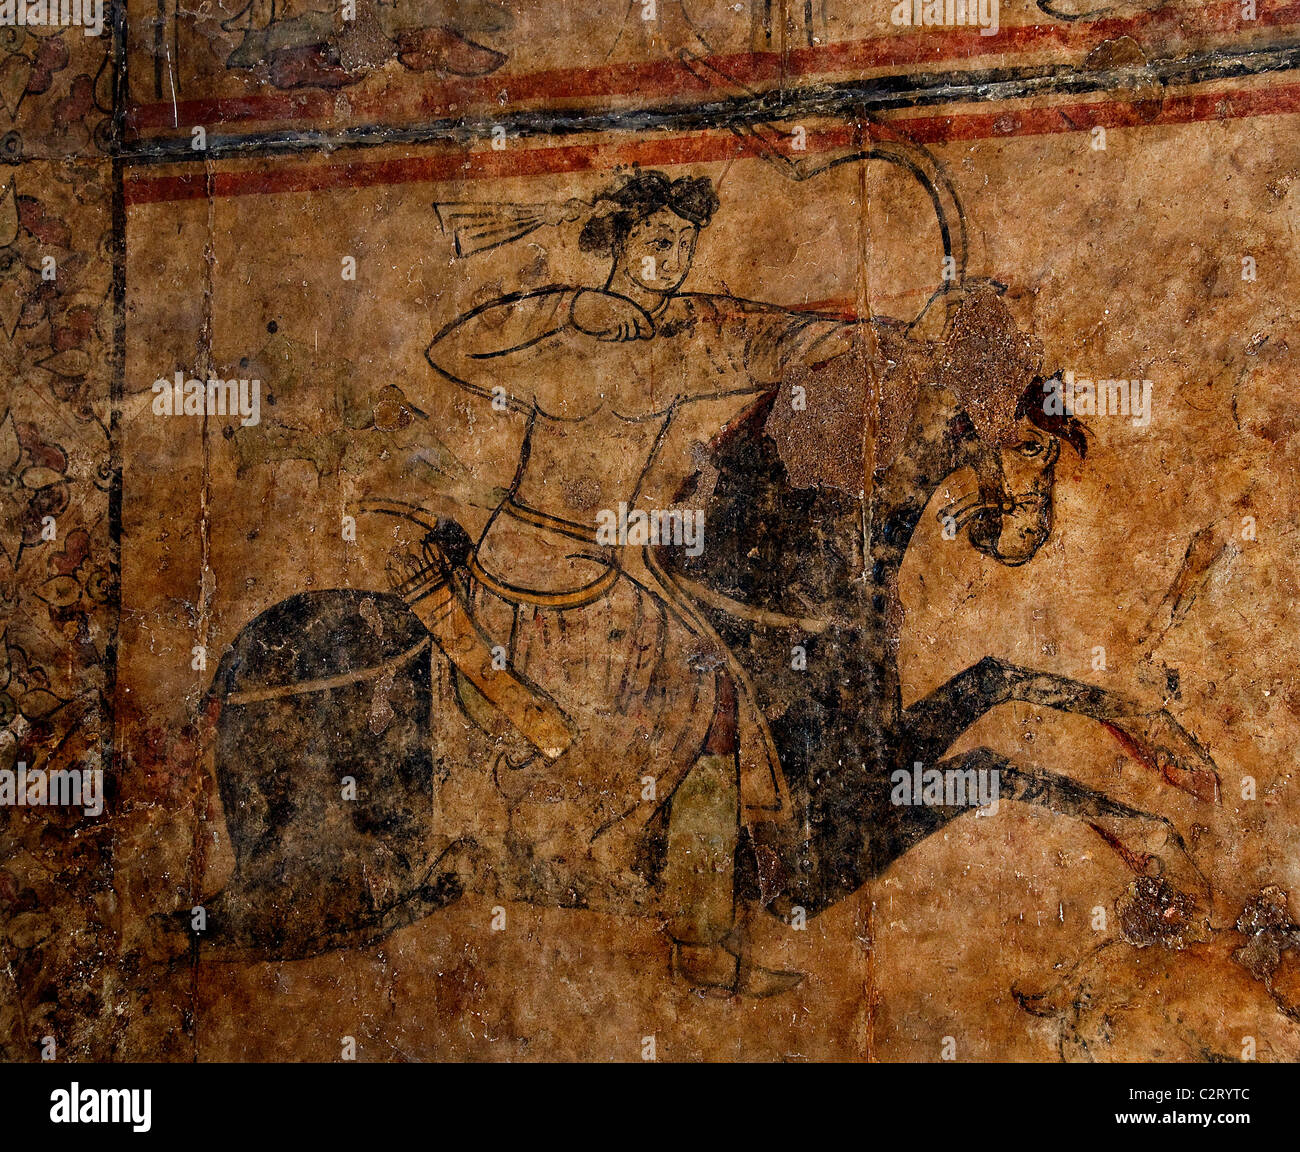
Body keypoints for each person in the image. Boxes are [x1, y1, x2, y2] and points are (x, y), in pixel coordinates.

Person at [422, 169, 876, 996]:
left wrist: (867, 336)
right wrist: (559, 301)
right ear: (620, 242)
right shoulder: (559, 331)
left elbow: (796, 341)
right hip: (530, 567)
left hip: (607, 569)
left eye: (684, 242)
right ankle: (696, 943)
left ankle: (701, 939)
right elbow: (449, 349)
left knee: (719, 708)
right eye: (657, 240)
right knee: (711, 707)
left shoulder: (689, 339)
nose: (674, 256)